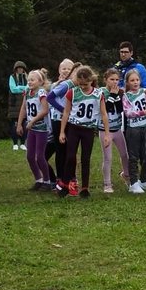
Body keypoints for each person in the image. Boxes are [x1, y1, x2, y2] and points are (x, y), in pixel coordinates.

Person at [57, 65, 105, 199]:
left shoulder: (98, 94)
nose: (83, 86)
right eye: (80, 84)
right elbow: (66, 112)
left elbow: (104, 114)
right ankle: (65, 185)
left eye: (86, 84)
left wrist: (106, 133)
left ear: (91, 80)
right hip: (74, 128)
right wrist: (62, 132)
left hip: (88, 130)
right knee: (70, 157)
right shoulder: (72, 92)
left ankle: (85, 188)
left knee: (85, 158)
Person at [16, 68, 53, 191]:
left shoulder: (41, 93)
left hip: (41, 128)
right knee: (30, 156)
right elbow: (23, 108)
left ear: (40, 82)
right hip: (32, 129)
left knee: (40, 156)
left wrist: (32, 121)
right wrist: (19, 124)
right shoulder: (27, 92)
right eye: (28, 80)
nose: (30, 82)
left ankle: (47, 181)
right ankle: (38, 179)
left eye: (32, 80)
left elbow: (45, 110)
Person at [123, 69, 146, 194]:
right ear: (127, 82)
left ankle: (143, 179)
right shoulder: (126, 96)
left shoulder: (144, 91)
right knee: (133, 157)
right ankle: (133, 183)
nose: (135, 82)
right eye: (132, 80)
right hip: (133, 129)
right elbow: (128, 113)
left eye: (137, 80)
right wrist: (144, 112)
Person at [100, 67, 130, 194]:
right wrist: (112, 94)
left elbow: (119, 109)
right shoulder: (101, 92)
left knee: (125, 154)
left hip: (117, 129)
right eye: (112, 79)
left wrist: (116, 95)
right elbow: (106, 109)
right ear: (106, 80)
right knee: (108, 157)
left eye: (117, 80)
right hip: (105, 130)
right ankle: (107, 183)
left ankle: (127, 176)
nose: (115, 82)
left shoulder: (120, 92)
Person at [8, 61, 28, 150]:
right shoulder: (12, 77)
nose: (20, 70)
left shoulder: (27, 77)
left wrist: (19, 87)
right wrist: (23, 88)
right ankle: (15, 143)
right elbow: (13, 89)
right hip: (14, 104)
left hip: (24, 103)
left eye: (21, 68)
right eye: (18, 68)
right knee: (14, 124)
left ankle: (23, 143)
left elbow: (29, 88)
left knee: (24, 124)